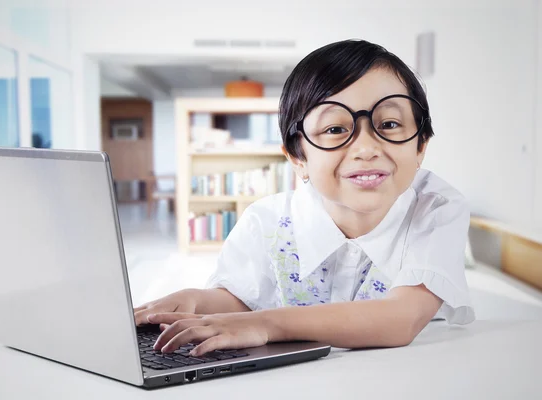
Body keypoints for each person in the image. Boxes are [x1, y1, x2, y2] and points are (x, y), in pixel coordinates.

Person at [134, 39, 475, 357]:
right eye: (335, 129)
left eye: (388, 124)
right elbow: (239, 299)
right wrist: (196, 300)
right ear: (298, 158)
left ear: (421, 146)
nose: (367, 148)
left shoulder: (437, 209)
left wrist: (267, 324)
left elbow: (401, 318)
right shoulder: (265, 221)